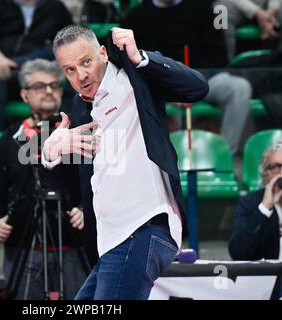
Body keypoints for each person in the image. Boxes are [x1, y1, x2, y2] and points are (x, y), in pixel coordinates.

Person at [42, 24, 209, 300]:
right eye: (69, 70)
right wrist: (52, 152)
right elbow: (61, 186)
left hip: (143, 228)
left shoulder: (134, 77)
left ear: (103, 53)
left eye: (86, 62)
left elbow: (197, 88)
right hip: (110, 242)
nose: (81, 75)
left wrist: (140, 57)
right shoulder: (79, 109)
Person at [0, 59, 87, 300]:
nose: (49, 91)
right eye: (40, 86)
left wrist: (84, 209)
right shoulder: (11, 138)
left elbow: (94, 183)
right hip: (23, 246)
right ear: (24, 95)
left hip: (74, 244)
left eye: (54, 85)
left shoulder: (80, 134)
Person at [122, 0, 253, 154]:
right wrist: (171, 88)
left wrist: (187, 83)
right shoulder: (136, 16)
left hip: (202, 80)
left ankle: (224, 157)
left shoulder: (202, 9)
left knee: (239, 88)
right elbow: (131, 64)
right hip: (159, 88)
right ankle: (158, 160)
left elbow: (219, 56)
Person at [0, 0, 73, 137]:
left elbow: (70, 39)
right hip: (5, 76)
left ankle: (64, 140)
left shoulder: (54, 6)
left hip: (43, 71)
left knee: (61, 73)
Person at [229, 141, 282, 260]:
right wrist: (265, 208)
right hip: (274, 277)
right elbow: (237, 252)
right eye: (275, 167)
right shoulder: (251, 203)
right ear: (265, 175)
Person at [216, 0, 282, 66]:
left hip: (272, 8)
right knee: (220, 13)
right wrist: (256, 12)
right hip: (234, 3)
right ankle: (222, 71)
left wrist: (271, 9)